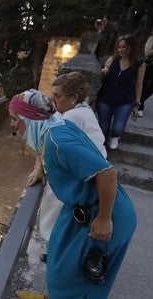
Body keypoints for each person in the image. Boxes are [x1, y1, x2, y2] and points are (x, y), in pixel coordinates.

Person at [9, 89, 136, 298]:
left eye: (15, 119)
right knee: (60, 262)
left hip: (105, 212)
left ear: (29, 117)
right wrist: (41, 168)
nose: (13, 125)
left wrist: (104, 219)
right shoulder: (55, 128)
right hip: (82, 208)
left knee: (81, 279)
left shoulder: (58, 142)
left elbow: (108, 174)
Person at [32, 72, 108, 262]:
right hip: (82, 171)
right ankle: (57, 252)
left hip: (85, 176)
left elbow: (47, 141)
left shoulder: (74, 116)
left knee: (61, 215)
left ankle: (58, 254)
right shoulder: (71, 110)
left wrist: (40, 168)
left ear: (74, 97)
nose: (53, 99)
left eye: (57, 95)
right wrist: (38, 167)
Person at [97, 35, 145, 149]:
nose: (121, 50)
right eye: (119, 47)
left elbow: (139, 85)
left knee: (117, 128)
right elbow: (101, 77)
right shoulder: (112, 60)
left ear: (132, 48)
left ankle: (115, 136)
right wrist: (103, 73)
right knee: (103, 128)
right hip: (105, 98)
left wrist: (137, 105)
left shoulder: (139, 64)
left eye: (124, 47)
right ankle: (102, 150)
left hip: (125, 100)